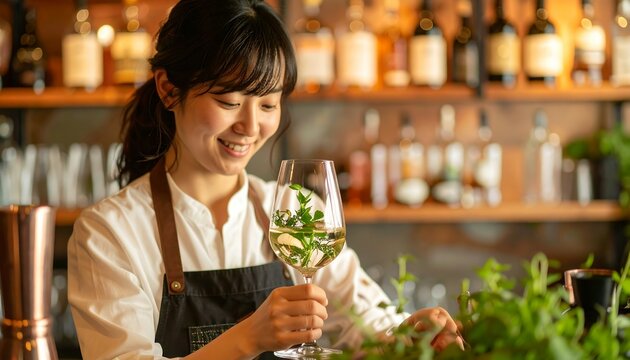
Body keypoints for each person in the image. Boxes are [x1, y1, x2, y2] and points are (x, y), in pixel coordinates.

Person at [67, 0, 463, 359]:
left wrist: (410, 335)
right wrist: (247, 338)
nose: (250, 126)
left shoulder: (295, 209)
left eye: (269, 104)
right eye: (229, 102)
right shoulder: (111, 233)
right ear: (169, 90)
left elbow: (367, 325)